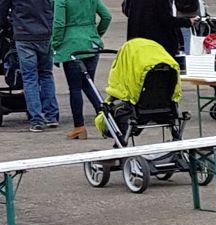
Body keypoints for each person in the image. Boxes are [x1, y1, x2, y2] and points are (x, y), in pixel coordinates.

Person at [51, 0, 111, 141]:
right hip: (91, 42)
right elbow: (107, 16)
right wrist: (96, 34)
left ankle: (79, 127)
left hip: (72, 44)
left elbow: (59, 24)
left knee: (75, 88)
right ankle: (107, 120)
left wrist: (55, 44)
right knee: (89, 85)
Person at [0, 0, 59, 131]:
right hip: (45, 32)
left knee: (29, 77)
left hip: (24, 34)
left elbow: (2, 10)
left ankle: (37, 119)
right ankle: (51, 116)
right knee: (46, 74)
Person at [124, 0, 198, 58]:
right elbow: (166, 19)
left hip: (136, 40)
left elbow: (126, 9)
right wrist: (188, 22)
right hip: (157, 43)